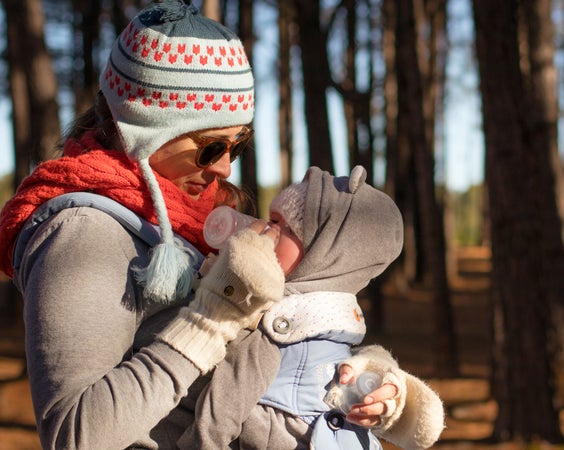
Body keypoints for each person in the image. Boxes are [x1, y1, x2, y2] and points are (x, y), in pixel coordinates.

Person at [0, 2, 391, 448]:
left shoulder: (191, 219)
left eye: (238, 144)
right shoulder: (83, 232)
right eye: (210, 146)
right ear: (143, 128)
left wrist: (362, 379)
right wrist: (212, 317)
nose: (224, 167)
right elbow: (77, 434)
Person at [178, 165, 445, 450]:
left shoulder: (279, 325)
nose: (265, 231)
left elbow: (222, 409)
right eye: (270, 220)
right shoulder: (333, 322)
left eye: (283, 226)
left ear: (324, 254)